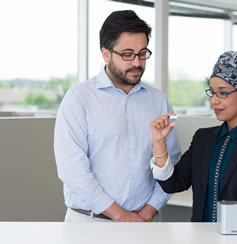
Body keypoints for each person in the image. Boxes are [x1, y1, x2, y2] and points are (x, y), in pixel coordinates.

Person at [54, 10, 181, 222]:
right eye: (127, 54)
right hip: (90, 224)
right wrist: (120, 215)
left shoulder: (160, 100)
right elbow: (72, 169)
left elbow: (173, 159)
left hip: (145, 222)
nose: (138, 63)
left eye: (142, 53)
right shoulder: (78, 99)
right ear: (106, 54)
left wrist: (150, 209)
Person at [150, 49, 237, 222]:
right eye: (212, 92)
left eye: (223, 92)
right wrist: (159, 140)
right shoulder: (203, 139)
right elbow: (173, 184)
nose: (214, 100)